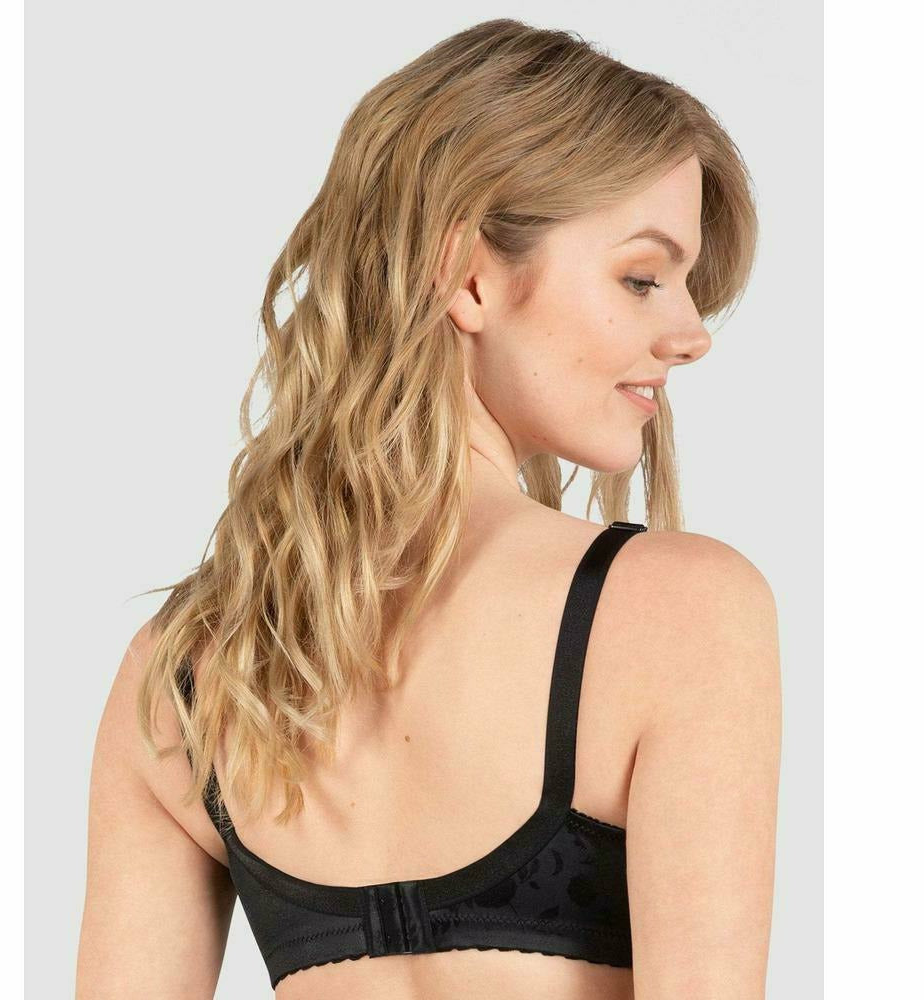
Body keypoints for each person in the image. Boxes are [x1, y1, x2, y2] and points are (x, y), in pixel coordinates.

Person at [76, 18, 781, 1000]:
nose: (691, 333)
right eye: (642, 278)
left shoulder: (185, 672)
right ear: (471, 276)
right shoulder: (682, 610)